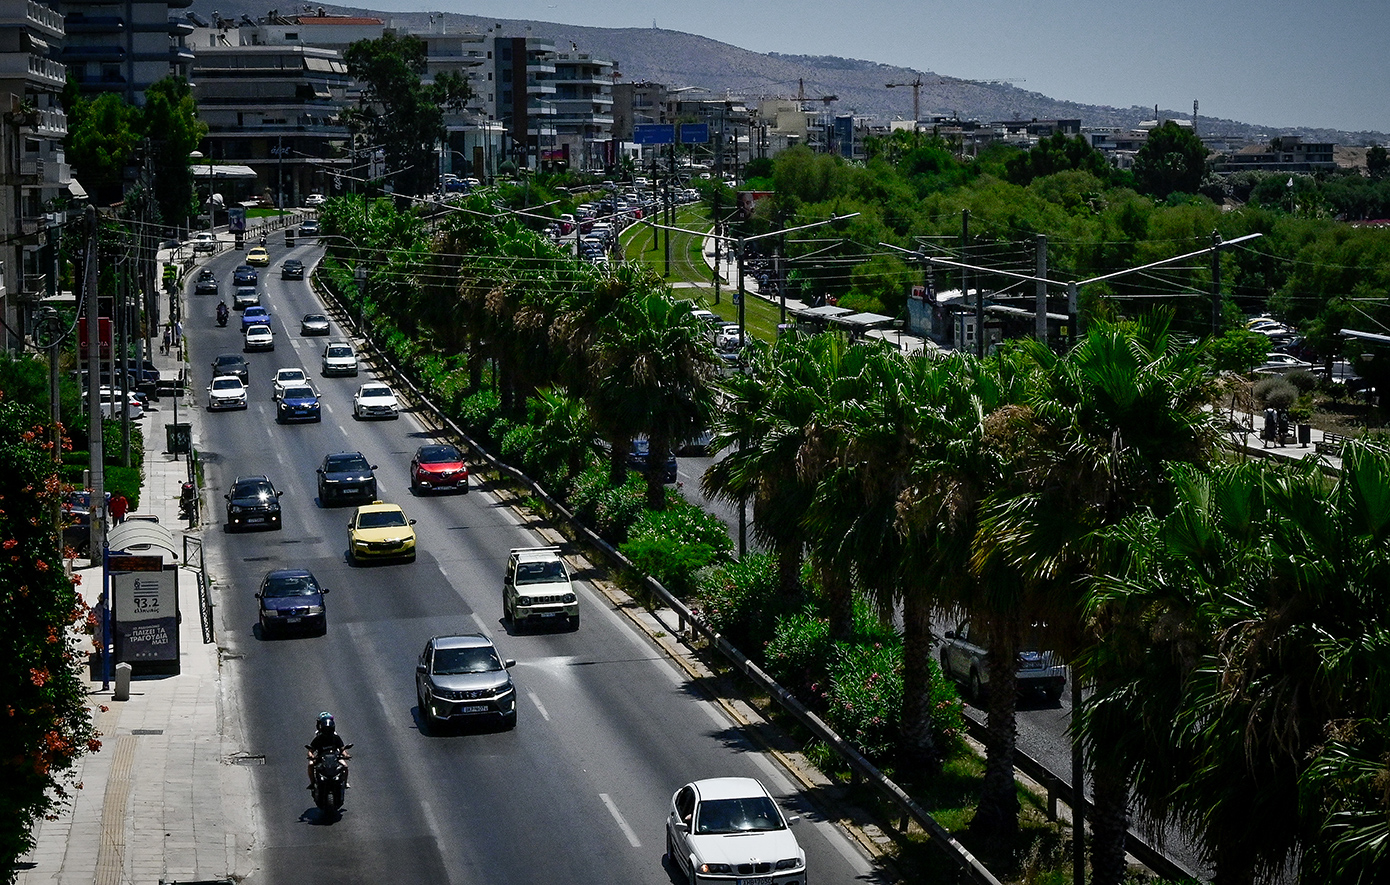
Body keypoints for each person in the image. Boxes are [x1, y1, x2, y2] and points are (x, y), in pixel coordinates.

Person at [307, 711, 348, 789]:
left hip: (334, 757)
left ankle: (344, 783)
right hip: (321, 758)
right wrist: (311, 756)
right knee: (310, 765)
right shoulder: (318, 737)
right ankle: (313, 783)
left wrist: (345, 755)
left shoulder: (335, 737)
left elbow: (342, 748)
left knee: (345, 766)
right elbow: (311, 750)